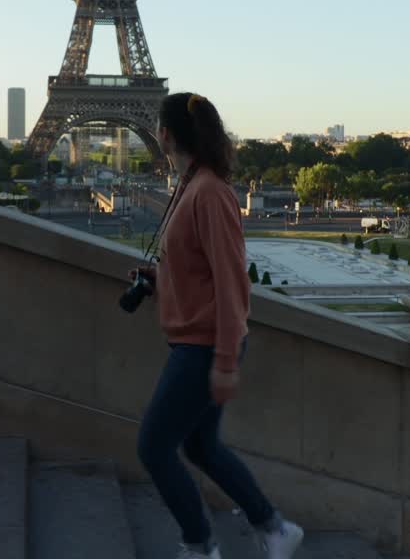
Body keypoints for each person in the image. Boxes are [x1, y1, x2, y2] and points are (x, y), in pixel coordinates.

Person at [130, 93, 304, 559]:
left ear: (165, 135)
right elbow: (201, 269)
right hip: (197, 340)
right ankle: (273, 528)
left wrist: (226, 361)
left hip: (205, 346)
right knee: (201, 447)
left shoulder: (209, 192)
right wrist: (160, 277)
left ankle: (200, 543)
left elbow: (232, 284)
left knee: (153, 447)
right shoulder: (192, 185)